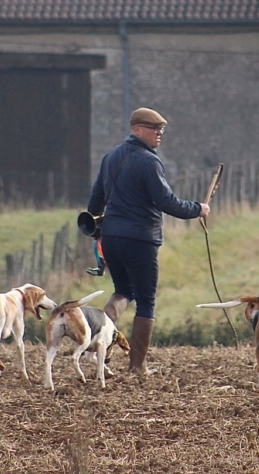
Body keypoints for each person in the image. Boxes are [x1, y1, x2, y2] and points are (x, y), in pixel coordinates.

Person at [86, 107, 210, 376]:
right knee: (146, 300)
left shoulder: (110, 158)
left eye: (161, 130)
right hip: (141, 240)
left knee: (123, 291)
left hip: (111, 238)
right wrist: (197, 209)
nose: (159, 134)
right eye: (154, 129)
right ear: (137, 130)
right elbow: (167, 202)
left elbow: (95, 202)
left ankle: (99, 348)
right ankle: (137, 366)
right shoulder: (149, 162)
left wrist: (98, 235)